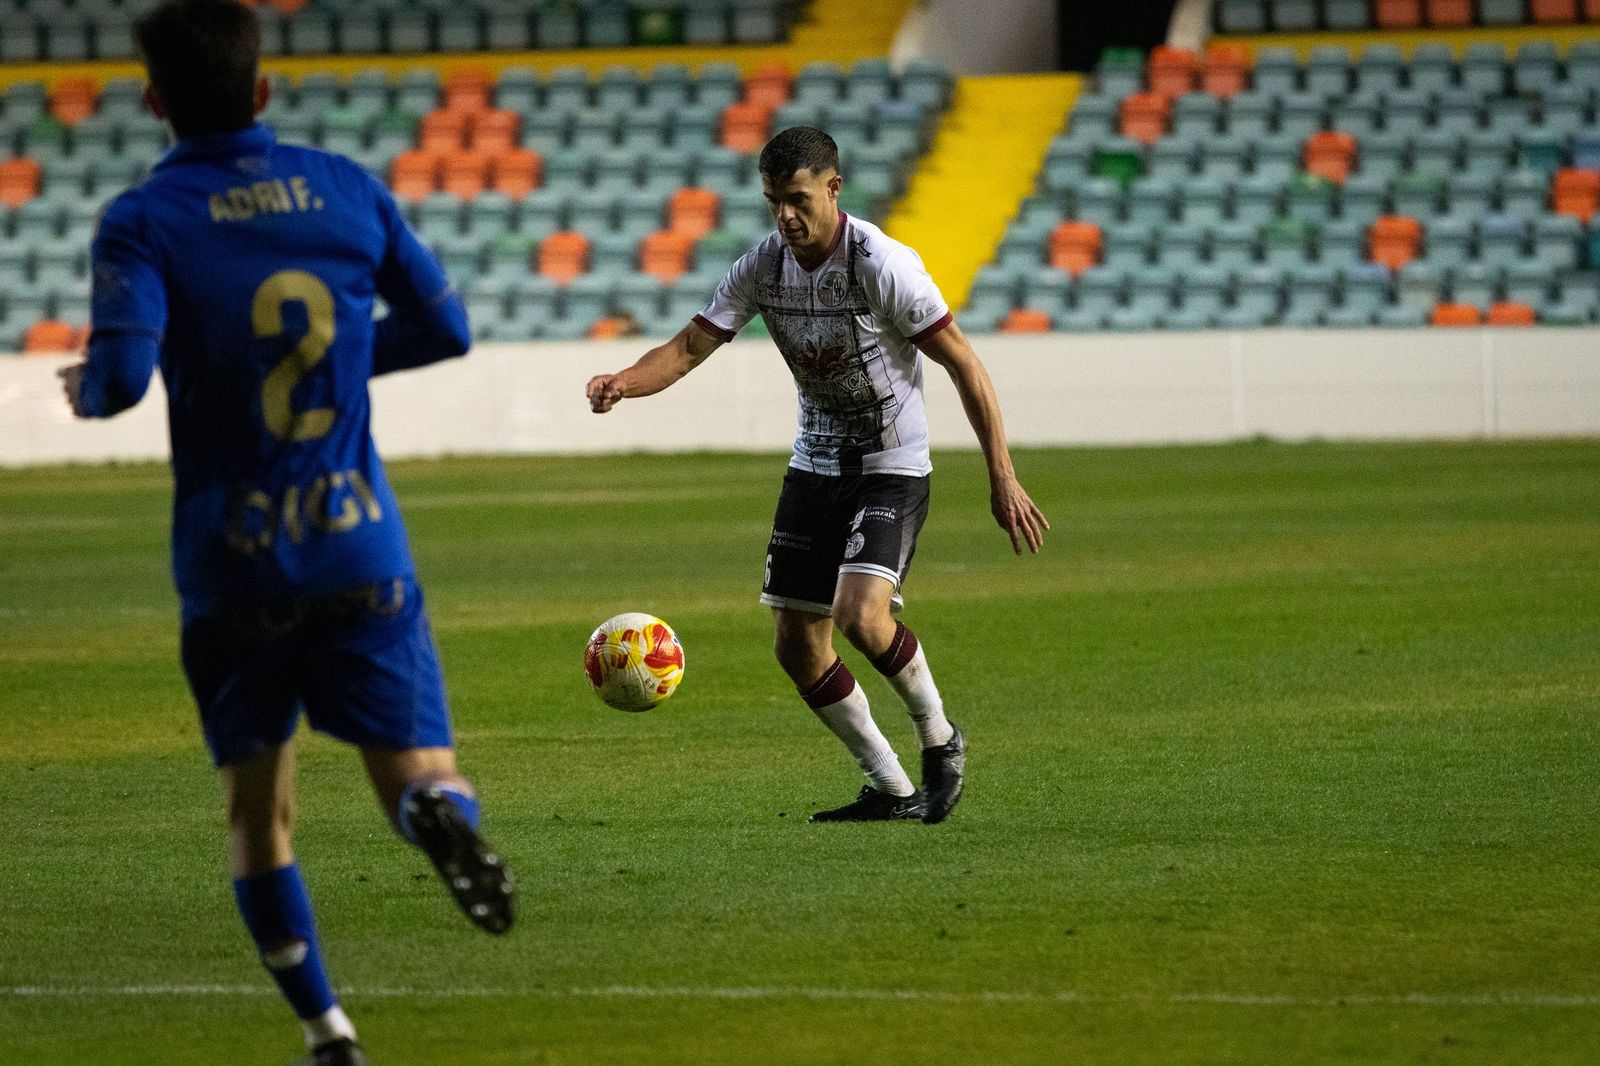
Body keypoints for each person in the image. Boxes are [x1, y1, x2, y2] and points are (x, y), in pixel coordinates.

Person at [56, 3, 513, 1063]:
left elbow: (123, 383)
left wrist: (91, 391)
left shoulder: (143, 219)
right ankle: (442, 813)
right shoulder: (345, 188)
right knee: (417, 768)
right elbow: (445, 327)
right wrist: (345, 360)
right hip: (360, 547)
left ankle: (327, 1030)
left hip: (230, 565)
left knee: (258, 814)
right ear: (263, 89)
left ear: (153, 99)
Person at [586, 126, 1049, 824]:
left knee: (860, 618)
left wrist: (1002, 476)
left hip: (890, 463)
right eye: (773, 201)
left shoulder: (881, 264)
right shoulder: (761, 269)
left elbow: (964, 363)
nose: (785, 216)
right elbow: (686, 348)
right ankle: (890, 786)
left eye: (797, 199)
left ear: (833, 188)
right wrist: (624, 379)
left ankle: (940, 738)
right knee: (797, 645)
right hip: (816, 462)